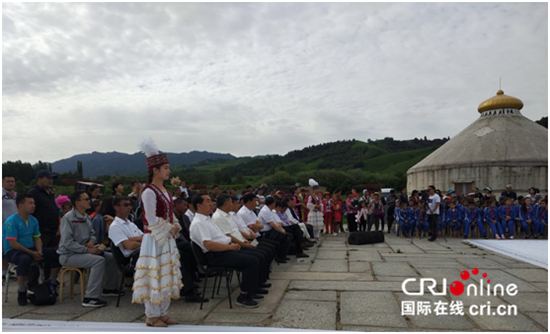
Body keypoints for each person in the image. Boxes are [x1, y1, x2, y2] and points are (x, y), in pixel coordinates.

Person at [131, 138, 182, 327]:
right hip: (154, 238)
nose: (168, 171)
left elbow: (170, 214)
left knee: (166, 272)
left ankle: (162, 311)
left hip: (165, 237)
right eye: (166, 168)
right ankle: (151, 315)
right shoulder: (149, 191)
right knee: (154, 273)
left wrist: (175, 225)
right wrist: (170, 227)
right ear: (155, 170)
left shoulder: (165, 191)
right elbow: (151, 218)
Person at [190, 194, 263, 308]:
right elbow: (208, 245)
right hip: (215, 255)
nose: (212, 204)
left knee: (257, 256)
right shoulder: (198, 223)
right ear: (199, 206)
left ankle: (251, 291)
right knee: (252, 261)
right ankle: (243, 297)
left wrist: (233, 244)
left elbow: (222, 237)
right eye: (208, 201)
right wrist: (230, 247)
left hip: (224, 250)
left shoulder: (207, 219)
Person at [57, 191, 121, 308]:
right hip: (68, 255)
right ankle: (90, 297)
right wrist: (87, 250)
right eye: (86, 199)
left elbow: (93, 234)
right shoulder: (68, 218)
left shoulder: (86, 217)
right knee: (98, 261)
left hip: (83, 251)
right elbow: (67, 242)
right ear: (77, 202)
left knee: (111, 258)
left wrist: (92, 241)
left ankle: (109, 288)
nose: (89, 201)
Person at [3, 194, 61, 306]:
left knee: (56, 253)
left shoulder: (33, 220)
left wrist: (39, 251)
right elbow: (13, 243)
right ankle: (21, 290)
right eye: (30, 203)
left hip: (31, 248)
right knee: (24, 259)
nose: (33, 206)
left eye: (34, 203)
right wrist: (31, 253)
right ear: (21, 205)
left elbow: (37, 237)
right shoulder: (12, 221)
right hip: (14, 251)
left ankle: (52, 282)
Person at [212, 195, 272, 287]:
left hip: (241, 242)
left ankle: (259, 283)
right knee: (257, 257)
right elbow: (229, 236)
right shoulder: (219, 217)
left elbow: (237, 231)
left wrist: (245, 241)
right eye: (232, 203)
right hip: (233, 247)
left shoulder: (228, 215)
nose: (234, 205)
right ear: (226, 204)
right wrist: (245, 244)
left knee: (265, 251)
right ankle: (247, 292)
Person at [108, 196, 143, 287]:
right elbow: (129, 246)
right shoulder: (115, 226)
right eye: (126, 205)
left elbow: (144, 237)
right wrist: (141, 241)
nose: (129, 207)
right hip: (131, 258)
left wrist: (131, 239)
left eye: (130, 205)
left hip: (140, 252)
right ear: (117, 207)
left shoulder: (131, 224)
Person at [27, 170, 60, 250]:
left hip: (52, 231)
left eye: (52, 179)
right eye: (48, 178)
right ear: (39, 180)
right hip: (41, 232)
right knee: (42, 255)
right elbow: (29, 212)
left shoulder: (49, 193)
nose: (51, 181)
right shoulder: (33, 193)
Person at [3, 175, 18, 281]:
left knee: (11, 247)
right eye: (8, 181)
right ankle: (3, 272)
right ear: (2, 182)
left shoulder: (15, 195)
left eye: (12, 181)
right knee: (3, 249)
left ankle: (9, 270)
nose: (11, 183)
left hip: (15, 226)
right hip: (3, 225)